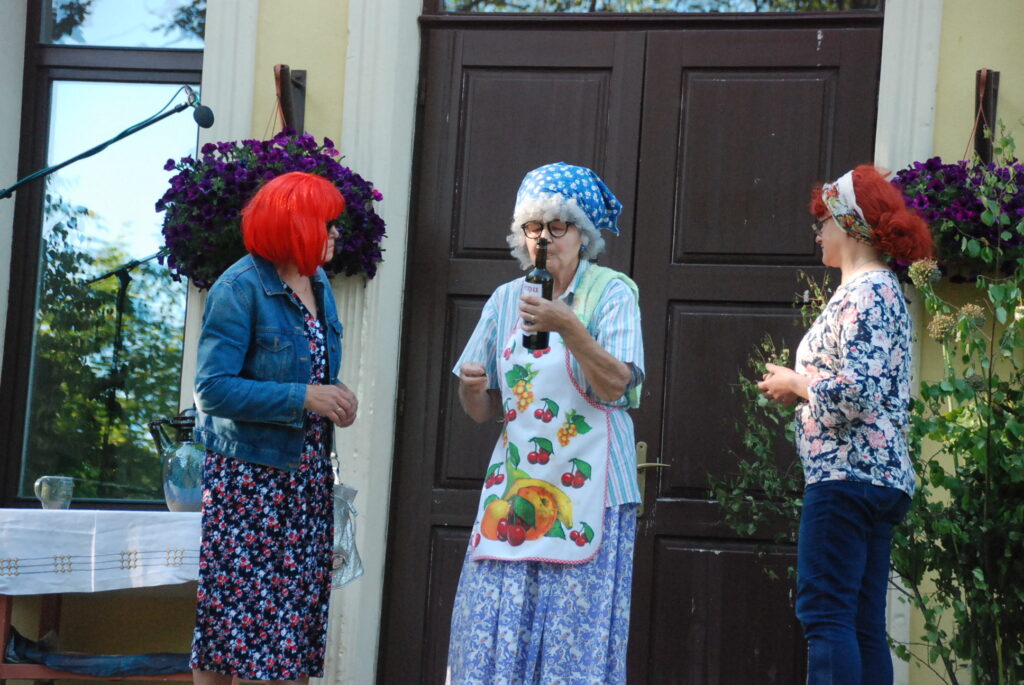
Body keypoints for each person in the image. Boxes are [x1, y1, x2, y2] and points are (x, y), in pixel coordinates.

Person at [447, 162, 645, 684]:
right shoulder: (504, 300)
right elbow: (483, 409)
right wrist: (472, 390)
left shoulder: (613, 294)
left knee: (571, 642)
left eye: (557, 226)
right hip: (516, 490)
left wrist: (568, 326)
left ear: (584, 236)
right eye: (533, 227)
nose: (544, 239)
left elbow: (617, 385)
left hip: (591, 494)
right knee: (494, 626)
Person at [757, 166, 933, 685]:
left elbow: (858, 391)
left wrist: (797, 382)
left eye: (824, 221)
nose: (818, 233)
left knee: (826, 613)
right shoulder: (874, 291)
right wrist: (800, 389)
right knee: (859, 623)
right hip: (870, 479)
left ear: (851, 226)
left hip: (847, 478)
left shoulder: (868, 292)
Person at [189, 171, 359, 685]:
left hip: (304, 484)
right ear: (296, 227)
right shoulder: (239, 288)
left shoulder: (318, 284)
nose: (335, 233)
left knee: (291, 636)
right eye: (326, 224)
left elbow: (305, 369)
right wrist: (304, 396)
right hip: (251, 486)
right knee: (241, 637)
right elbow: (211, 389)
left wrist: (335, 395)